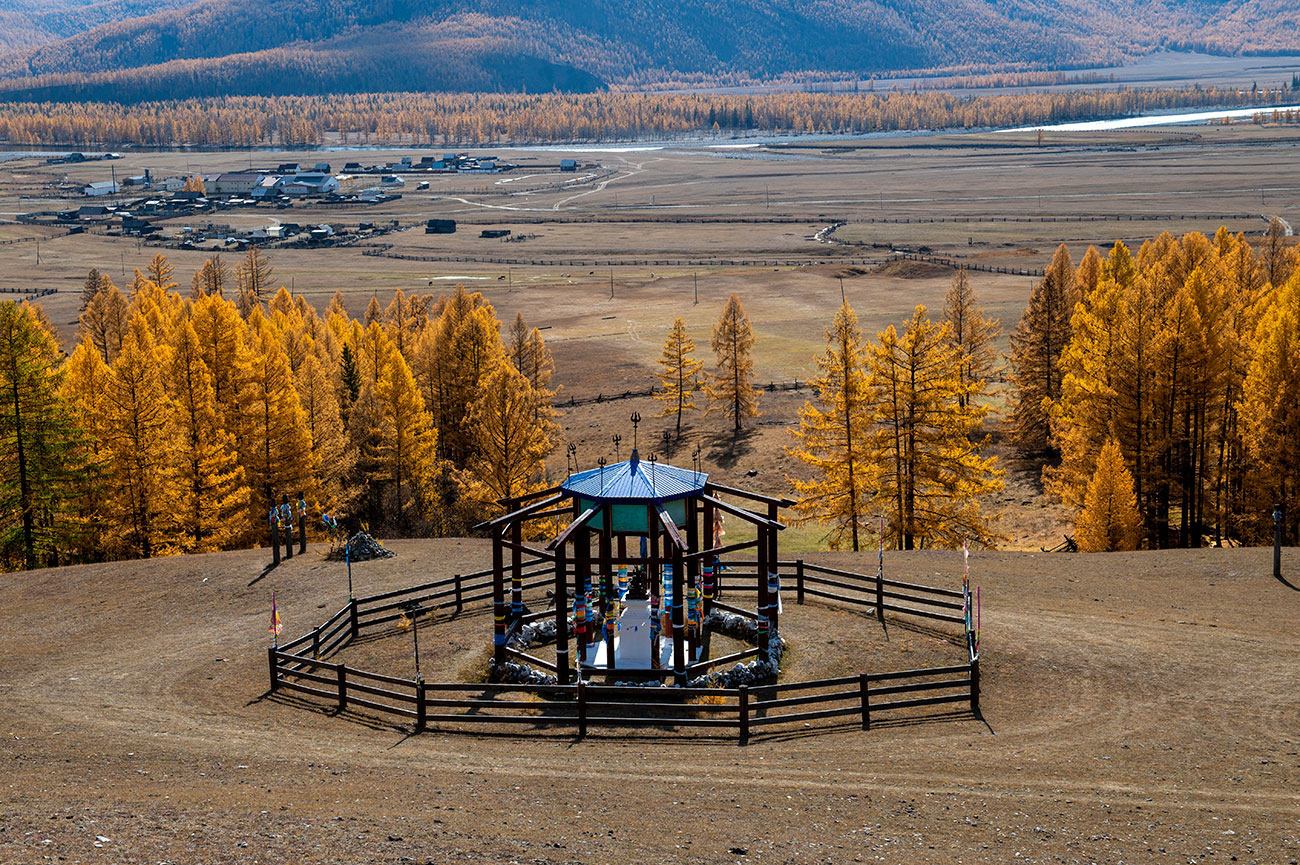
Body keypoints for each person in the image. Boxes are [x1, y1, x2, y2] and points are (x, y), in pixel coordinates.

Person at [280, 494, 294, 560]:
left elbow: (285, 511)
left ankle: (289, 553)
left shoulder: (284, 506)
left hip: (287, 518)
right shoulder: (286, 506)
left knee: (287, 528)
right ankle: (289, 553)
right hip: (286, 518)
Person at [268, 498, 281, 566]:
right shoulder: (274, 510)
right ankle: (276, 559)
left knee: (275, 539)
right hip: (274, 521)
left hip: (274, 521)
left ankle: (276, 559)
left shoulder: (272, 510)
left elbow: (273, 515)